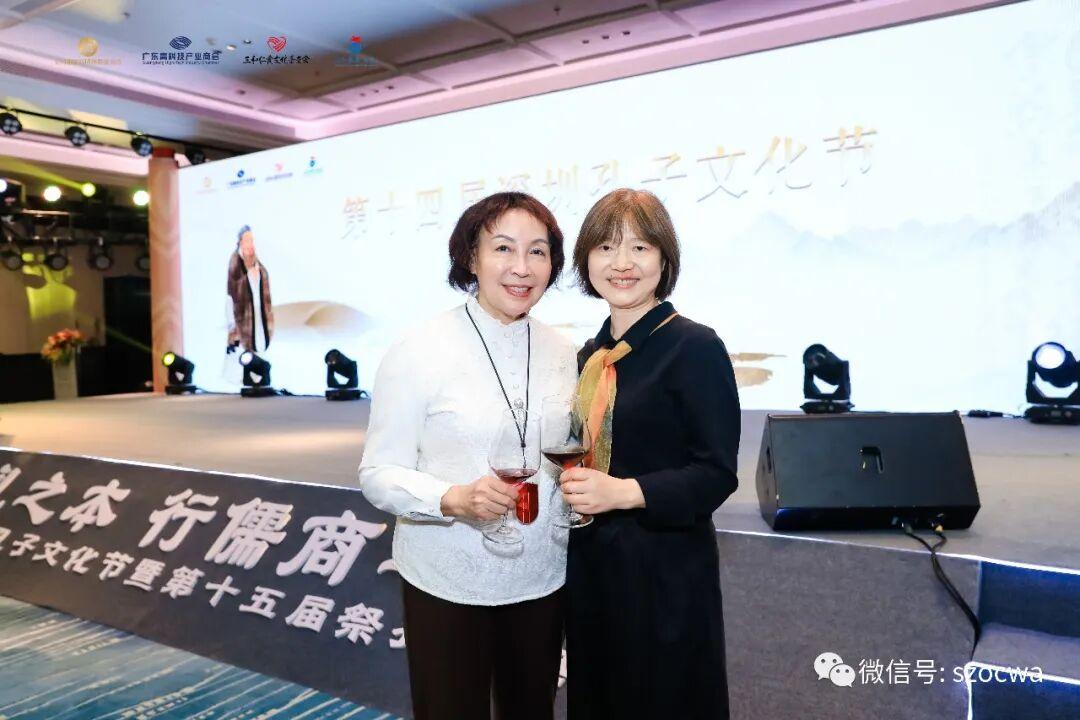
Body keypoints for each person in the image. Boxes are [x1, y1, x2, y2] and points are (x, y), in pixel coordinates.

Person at [359, 192, 577, 720]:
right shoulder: (419, 349)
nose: (522, 267)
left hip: (543, 577)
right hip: (447, 578)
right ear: (470, 258)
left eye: (538, 251)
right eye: (503, 248)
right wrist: (452, 499)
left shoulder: (564, 352)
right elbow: (377, 473)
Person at [560, 188, 741, 719]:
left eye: (639, 248)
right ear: (586, 260)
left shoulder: (694, 346)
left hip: (665, 573)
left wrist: (624, 492)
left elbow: (716, 473)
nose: (622, 263)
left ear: (664, 259)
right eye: (606, 247)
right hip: (592, 569)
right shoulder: (590, 356)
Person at [226, 225, 273, 354]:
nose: (251, 244)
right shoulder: (235, 261)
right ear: (240, 242)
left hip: (258, 317)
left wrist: (258, 276)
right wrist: (248, 278)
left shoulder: (255, 260)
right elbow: (232, 291)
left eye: (252, 240)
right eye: (247, 240)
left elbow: (263, 276)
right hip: (242, 319)